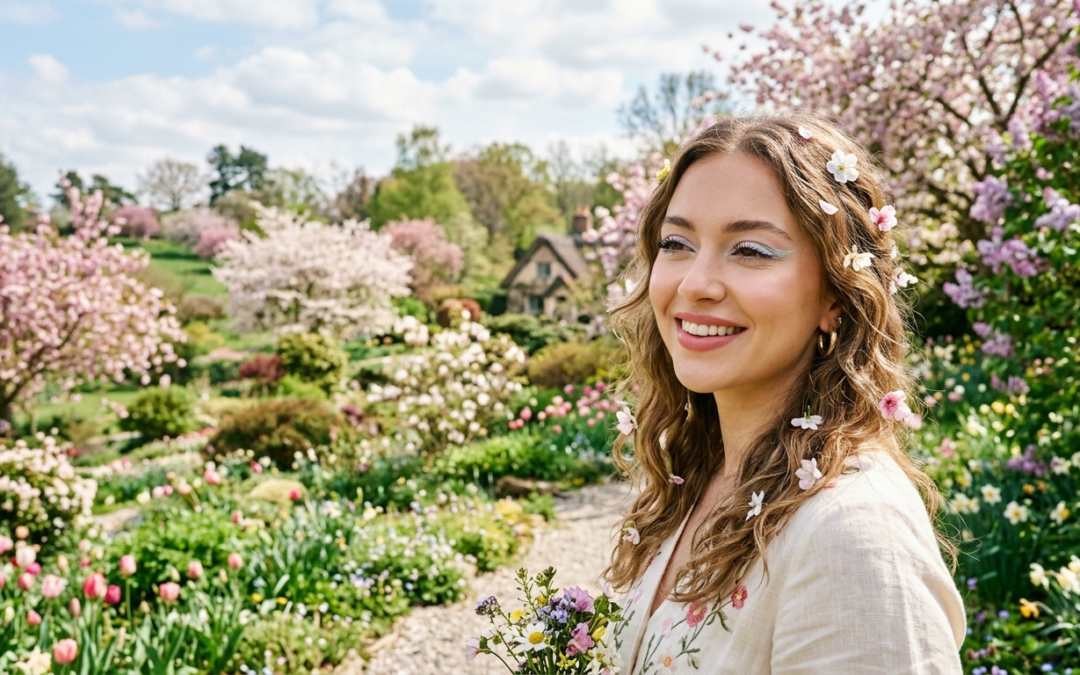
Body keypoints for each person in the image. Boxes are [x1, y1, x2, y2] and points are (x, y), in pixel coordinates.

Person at [603, 111, 965, 674]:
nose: (695, 283)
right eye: (676, 243)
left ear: (836, 297)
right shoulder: (701, 480)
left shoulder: (852, 532)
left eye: (749, 250)